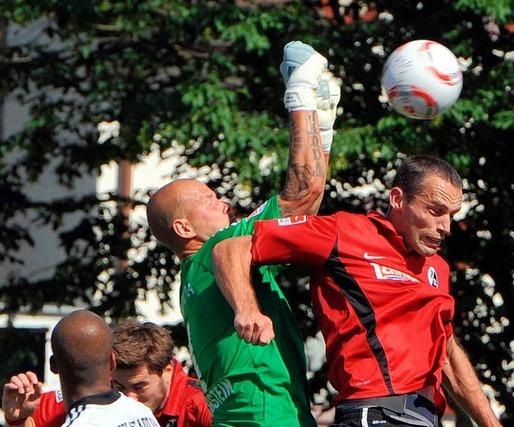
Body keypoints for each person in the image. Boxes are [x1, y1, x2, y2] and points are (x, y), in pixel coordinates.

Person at [212, 155, 503, 427]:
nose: (446, 227)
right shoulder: (345, 232)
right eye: (436, 211)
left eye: (451, 214)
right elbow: (232, 247)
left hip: (426, 418)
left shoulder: (437, 267)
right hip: (374, 413)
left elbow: (447, 352)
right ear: (398, 199)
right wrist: (247, 309)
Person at [146, 41, 339, 426]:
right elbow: (304, 193)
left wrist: (322, 124)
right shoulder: (215, 251)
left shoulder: (197, 276)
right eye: (208, 199)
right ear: (184, 228)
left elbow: (304, 208)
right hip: (264, 414)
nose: (224, 204)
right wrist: (300, 96)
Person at [2, 321, 211, 427]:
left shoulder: (202, 405)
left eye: (139, 387)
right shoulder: (87, 404)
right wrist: (17, 419)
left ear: (168, 370)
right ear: (110, 366)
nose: (130, 398)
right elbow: (30, 419)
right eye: (118, 387)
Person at [2, 310, 159, 426]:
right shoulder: (143, 414)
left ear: (53, 366)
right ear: (112, 361)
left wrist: (16, 421)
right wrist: (20, 421)